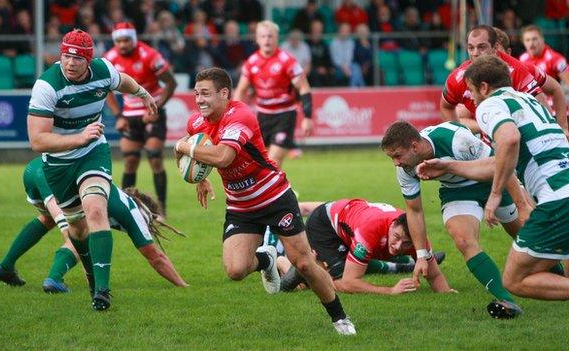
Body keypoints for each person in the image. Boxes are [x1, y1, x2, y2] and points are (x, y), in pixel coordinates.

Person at [174, 67, 356, 335]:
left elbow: (222, 157)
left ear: (224, 93)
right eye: (196, 94)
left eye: (205, 94)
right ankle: (267, 261)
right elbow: (190, 154)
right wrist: (199, 178)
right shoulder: (196, 123)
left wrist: (183, 146)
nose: (199, 100)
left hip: (274, 197)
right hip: (240, 206)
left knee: (304, 263)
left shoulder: (240, 115)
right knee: (235, 270)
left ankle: (340, 317)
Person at [417, 55, 569, 305]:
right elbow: (497, 160)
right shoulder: (530, 100)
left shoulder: (490, 105)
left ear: (484, 87)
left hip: (557, 199)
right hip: (562, 189)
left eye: (471, 91)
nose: (472, 99)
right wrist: (449, 165)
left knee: (515, 279)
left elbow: (508, 140)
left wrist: (496, 194)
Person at [26, 29, 157, 311]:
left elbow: (122, 81)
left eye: (77, 58)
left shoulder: (102, 70)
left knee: (96, 209)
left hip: (92, 154)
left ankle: (102, 291)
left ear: (89, 60)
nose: (70, 63)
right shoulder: (47, 86)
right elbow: (37, 140)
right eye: (65, 56)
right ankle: (90, 278)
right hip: (59, 164)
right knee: (78, 227)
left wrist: (143, 93)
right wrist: (79, 137)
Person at [381, 120, 532, 319]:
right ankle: (508, 302)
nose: (396, 163)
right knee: (463, 240)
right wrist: (420, 255)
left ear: (415, 146)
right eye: (392, 158)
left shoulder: (455, 140)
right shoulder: (405, 169)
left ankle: (556, 275)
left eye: (398, 156)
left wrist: (520, 205)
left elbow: (501, 166)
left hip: (492, 179)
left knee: (525, 236)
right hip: (456, 191)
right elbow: (414, 211)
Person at [0, 158, 188, 293]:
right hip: (51, 174)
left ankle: (5, 267)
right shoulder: (131, 212)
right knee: (77, 232)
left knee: (49, 219)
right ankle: (54, 279)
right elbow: (156, 257)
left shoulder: (115, 199)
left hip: (33, 170)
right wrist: (182, 285)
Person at [278, 199, 451, 294]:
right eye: (396, 237)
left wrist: (447, 294)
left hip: (351, 224)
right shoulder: (370, 232)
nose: (398, 246)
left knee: (342, 272)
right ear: (391, 226)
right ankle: (293, 267)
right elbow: (347, 283)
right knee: (333, 284)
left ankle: (301, 268)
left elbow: (435, 276)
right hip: (325, 225)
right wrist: (389, 290)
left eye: (406, 244)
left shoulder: (417, 235)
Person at [104, 22, 177, 214]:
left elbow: (171, 83)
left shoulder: (150, 55)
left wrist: (156, 107)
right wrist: (118, 115)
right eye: (118, 41)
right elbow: (105, 90)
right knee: (130, 161)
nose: (122, 44)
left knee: (155, 158)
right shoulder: (110, 59)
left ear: (134, 39)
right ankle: (126, 209)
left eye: (126, 40)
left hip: (152, 114)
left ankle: (161, 210)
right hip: (129, 116)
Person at [234, 20, 314, 168]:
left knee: (274, 160)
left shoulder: (287, 61)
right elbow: (240, 90)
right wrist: (234, 117)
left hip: (285, 116)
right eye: (263, 36)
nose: (267, 40)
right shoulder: (252, 62)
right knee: (259, 163)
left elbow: (304, 88)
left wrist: (307, 117)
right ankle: (280, 190)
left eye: (270, 36)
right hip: (262, 117)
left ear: (277, 38)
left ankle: (280, 191)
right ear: (257, 39)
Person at [441, 25, 547, 135]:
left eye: (482, 47)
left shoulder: (517, 69)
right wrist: (461, 136)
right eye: (471, 48)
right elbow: (447, 107)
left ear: (495, 47)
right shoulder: (459, 77)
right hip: (493, 135)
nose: (475, 53)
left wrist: (562, 126)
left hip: (523, 134)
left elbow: (548, 97)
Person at [494, 27, 569, 138]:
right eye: (528, 40)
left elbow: (562, 85)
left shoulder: (555, 58)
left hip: (552, 109)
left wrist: (563, 127)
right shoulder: (523, 59)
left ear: (542, 40)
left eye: (534, 39)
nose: (531, 43)